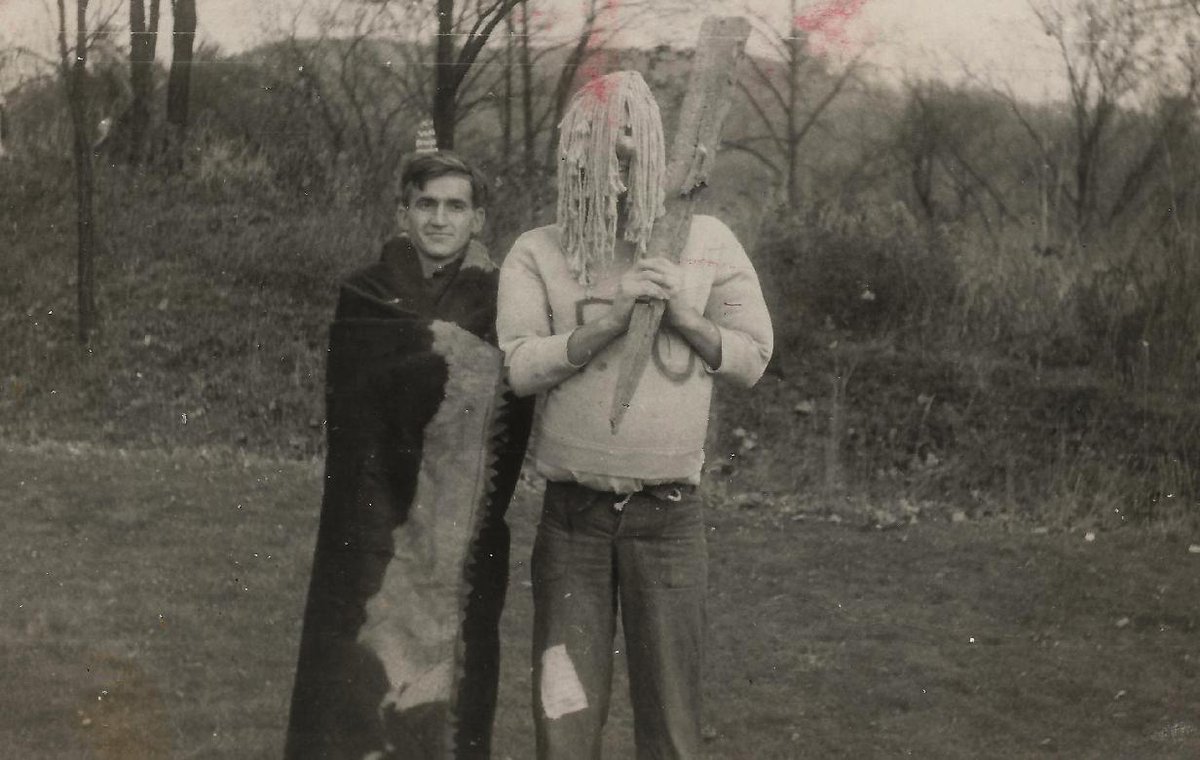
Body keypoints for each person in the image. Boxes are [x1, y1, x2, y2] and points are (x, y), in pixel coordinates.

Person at [497, 71, 773, 759]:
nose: (615, 152)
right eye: (595, 134)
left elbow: (752, 355)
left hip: (668, 519)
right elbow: (522, 366)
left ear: (655, 145)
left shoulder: (706, 242)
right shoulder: (539, 250)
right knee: (564, 720)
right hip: (572, 521)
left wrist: (683, 314)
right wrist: (613, 320)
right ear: (572, 151)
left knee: (673, 727)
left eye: (629, 133)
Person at [286, 151, 532, 759]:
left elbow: (512, 416)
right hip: (370, 516)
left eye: (455, 206)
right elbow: (354, 412)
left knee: (456, 667)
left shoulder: (505, 301)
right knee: (362, 659)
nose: (440, 219)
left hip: (460, 521)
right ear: (403, 212)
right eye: (426, 204)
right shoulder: (365, 294)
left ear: (477, 219)